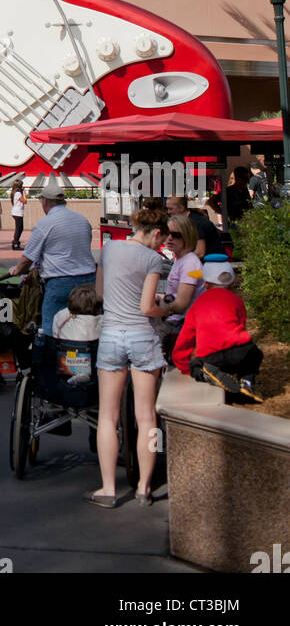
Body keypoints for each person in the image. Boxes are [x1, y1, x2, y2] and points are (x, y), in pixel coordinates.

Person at [88, 204, 169, 507]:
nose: (161, 245)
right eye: (162, 239)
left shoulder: (109, 249)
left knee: (108, 417)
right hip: (141, 337)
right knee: (146, 416)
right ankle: (144, 488)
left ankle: (108, 489)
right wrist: (166, 307)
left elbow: (100, 294)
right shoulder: (153, 259)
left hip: (111, 335)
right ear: (156, 232)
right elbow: (148, 308)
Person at [172, 254, 263, 402]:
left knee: (196, 366)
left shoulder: (198, 304)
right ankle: (247, 383)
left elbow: (186, 338)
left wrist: (183, 365)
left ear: (206, 284)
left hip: (211, 355)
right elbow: (241, 325)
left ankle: (206, 373)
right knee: (255, 354)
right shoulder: (237, 301)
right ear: (231, 282)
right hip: (239, 351)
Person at [9, 186, 96, 330]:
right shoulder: (82, 220)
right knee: (87, 326)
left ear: (44, 201)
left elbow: (27, 258)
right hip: (88, 281)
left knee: (51, 327)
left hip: (60, 281)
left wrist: (17, 270)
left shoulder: (45, 224)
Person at [155, 212, 205, 359]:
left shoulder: (190, 263)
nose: (169, 238)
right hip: (177, 322)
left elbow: (182, 304)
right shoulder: (181, 259)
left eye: (176, 235)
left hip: (182, 326)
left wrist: (161, 305)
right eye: (167, 234)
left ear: (187, 236)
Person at [166, 194, 223, 258]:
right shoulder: (189, 220)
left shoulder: (196, 223)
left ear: (181, 208)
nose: (168, 212)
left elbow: (199, 252)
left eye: (170, 209)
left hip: (210, 263)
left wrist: (181, 259)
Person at [10, 181, 26, 251]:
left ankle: (16, 241)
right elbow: (25, 201)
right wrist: (24, 193)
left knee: (20, 228)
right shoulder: (18, 193)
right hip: (18, 213)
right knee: (18, 228)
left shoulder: (14, 192)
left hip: (17, 212)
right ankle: (15, 243)